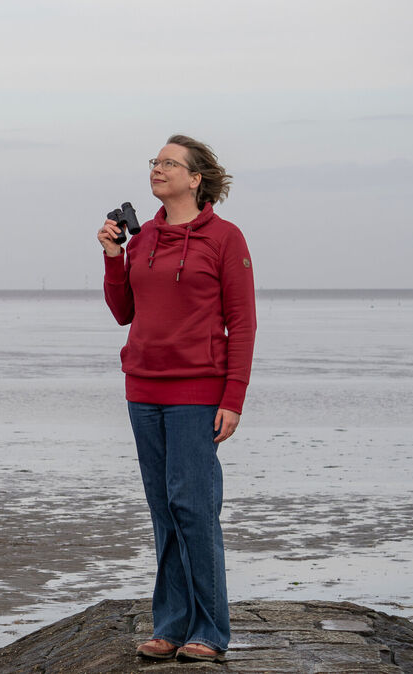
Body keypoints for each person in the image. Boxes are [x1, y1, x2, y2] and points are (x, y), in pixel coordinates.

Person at [96, 134, 256, 663]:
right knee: (163, 509)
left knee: (194, 507)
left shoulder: (225, 239)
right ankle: (170, 625)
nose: (157, 169)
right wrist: (114, 257)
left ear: (196, 179)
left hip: (196, 391)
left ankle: (210, 630)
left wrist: (233, 398)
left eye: (169, 163)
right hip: (143, 389)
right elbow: (125, 312)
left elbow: (243, 324)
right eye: (154, 162)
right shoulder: (142, 241)